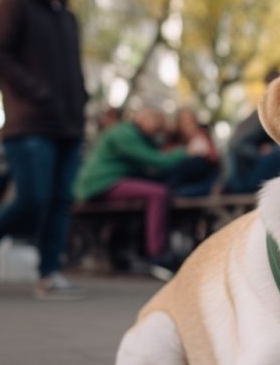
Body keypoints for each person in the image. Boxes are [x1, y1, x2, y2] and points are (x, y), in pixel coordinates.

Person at [0, 0, 87, 300]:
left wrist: (79, 101)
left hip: (68, 124)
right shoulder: (15, 5)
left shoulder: (67, 15)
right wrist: (39, 93)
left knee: (59, 200)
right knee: (31, 199)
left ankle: (49, 274)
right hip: (30, 124)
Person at [74, 105, 193, 275]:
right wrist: (186, 151)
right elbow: (155, 161)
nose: (158, 126)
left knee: (153, 192)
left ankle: (137, 251)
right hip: (100, 183)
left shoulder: (139, 135)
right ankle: (157, 254)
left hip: (112, 181)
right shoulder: (123, 133)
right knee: (158, 193)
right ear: (141, 117)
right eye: (155, 120)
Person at [160, 107, 220, 197]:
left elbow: (213, 158)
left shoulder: (202, 135)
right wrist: (184, 152)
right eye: (183, 120)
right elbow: (164, 159)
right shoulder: (172, 139)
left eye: (190, 120)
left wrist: (195, 137)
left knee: (198, 162)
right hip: (179, 181)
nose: (187, 123)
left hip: (201, 181)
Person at [224, 108, 280, 195]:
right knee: (279, 154)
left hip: (238, 177)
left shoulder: (253, 119)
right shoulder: (263, 116)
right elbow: (240, 145)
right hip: (242, 179)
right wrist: (260, 152)